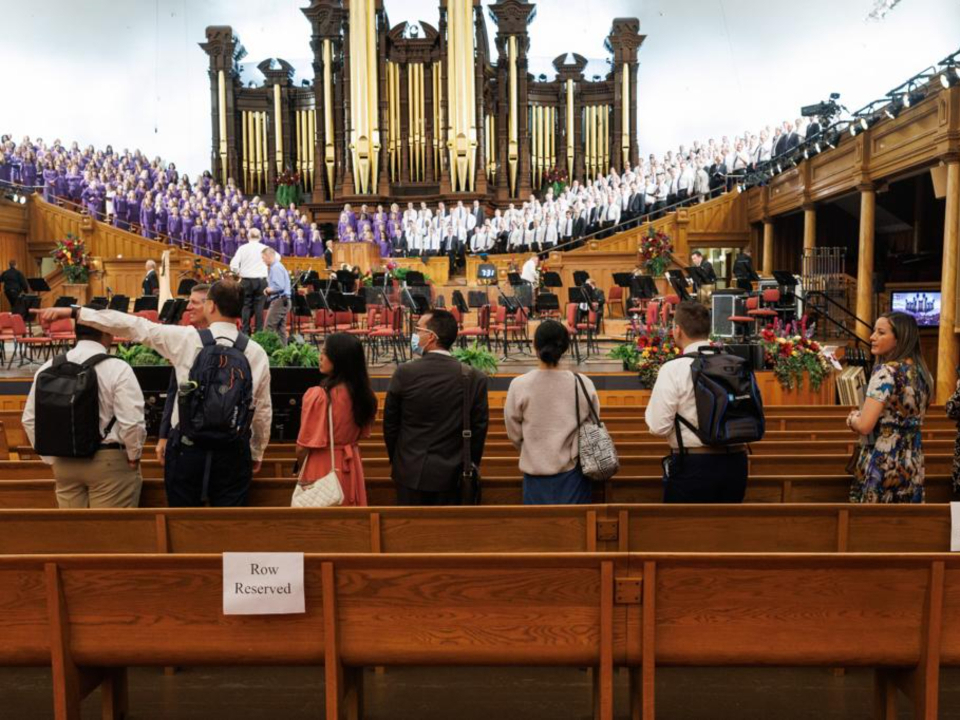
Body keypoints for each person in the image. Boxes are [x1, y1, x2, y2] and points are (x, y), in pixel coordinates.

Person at [37, 280, 272, 507]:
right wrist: (256, 451)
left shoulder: (187, 339)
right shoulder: (256, 352)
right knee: (228, 524)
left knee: (182, 523)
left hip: (187, 449)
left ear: (210, 306)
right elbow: (261, 409)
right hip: (233, 450)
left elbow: (134, 326)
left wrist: (75, 312)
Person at [22, 318, 146, 508]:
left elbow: (30, 420)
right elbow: (132, 422)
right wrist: (134, 454)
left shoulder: (47, 368)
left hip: (64, 462)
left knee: (75, 534)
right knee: (110, 535)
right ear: (107, 331)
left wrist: (51, 458)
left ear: (75, 332)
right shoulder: (118, 368)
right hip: (108, 461)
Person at [645, 301, 749, 503]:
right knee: (727, 531)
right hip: (737, 461)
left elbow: (659, 426)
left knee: (684, 531)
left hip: (694, 463)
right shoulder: (734, 364)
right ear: (708, 330)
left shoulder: (673, 369)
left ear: (677, 330)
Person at [383, 309, 489, 505]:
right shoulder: (474, 377)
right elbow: (479, 429)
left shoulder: (404, 373)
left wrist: (399, 461)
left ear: (431, 337)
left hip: (410, 471)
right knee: (449, 534)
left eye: (418, 330)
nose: (415, 334)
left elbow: (390, 425)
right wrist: (470, 463)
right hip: (455, 474)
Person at [504, 320, 599, 504]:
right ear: (565, 348)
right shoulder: (583, 383)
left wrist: (532, 449)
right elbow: (592, 425)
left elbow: (514, 434)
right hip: (574, 476)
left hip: (534, 476)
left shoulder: (519, 385)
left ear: (534, 345)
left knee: (537, 532)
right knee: (574, 531)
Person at [847, 312, 931, 504]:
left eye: (880, 332)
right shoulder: (923, 373)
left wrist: (852, 419)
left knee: (873, 525)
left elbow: (865, 426)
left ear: (899, 339)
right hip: (913, 459)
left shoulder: (886, 372)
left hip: (884, 459)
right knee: (904, 525)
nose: (872, 337)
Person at [297, 333, 378, 506]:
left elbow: (302, 446)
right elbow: (362, 434)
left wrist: (299, 465)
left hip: (323, 463)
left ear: (339, 359)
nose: (320, 357)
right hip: (351, 463)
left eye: (325, 353)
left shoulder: (319, 396)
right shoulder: (364, 395)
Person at [156, 284, 210, 466]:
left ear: (210, 305)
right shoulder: (185, 341)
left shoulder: (237, 344)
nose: (188, 308)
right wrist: (164, 435)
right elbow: (174, 392)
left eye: (194, 302)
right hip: (184, 436)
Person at [229, 227, 270, 334]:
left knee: (246, 306)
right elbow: (277, 258)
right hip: (261, 281)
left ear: (248, 237)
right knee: (259, 307)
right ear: (260, 237)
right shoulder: (265, 248)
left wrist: (238, 272)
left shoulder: (243, 248)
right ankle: (259, 332)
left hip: (246, 280)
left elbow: (233, 265)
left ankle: (245, 332)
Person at [262, 247, 291, 345]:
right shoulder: (278, 266)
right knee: (280, 331)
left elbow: (279, 286)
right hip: (284, 301)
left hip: (279, 300)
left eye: (263, 258)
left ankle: (267, 354)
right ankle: (284, 354)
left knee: (268, 329)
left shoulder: (275, 267)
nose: (263, 261)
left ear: (268, 256)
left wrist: (267, 290)